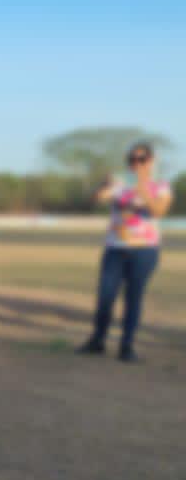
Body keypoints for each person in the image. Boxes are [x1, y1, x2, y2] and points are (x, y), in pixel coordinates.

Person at [78, 142, 172, 362]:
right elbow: (96, 200)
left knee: (133, 297)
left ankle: (127, 346)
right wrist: (103, 187)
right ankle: (98, 340)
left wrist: (143, 191)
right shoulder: (119, 182)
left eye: (141, 159)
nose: (136, 164)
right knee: (105, 296)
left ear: (151, 161)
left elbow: (159, 211)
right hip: (115, 248)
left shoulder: (161, 185)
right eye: (132, 160)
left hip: (144, 250)